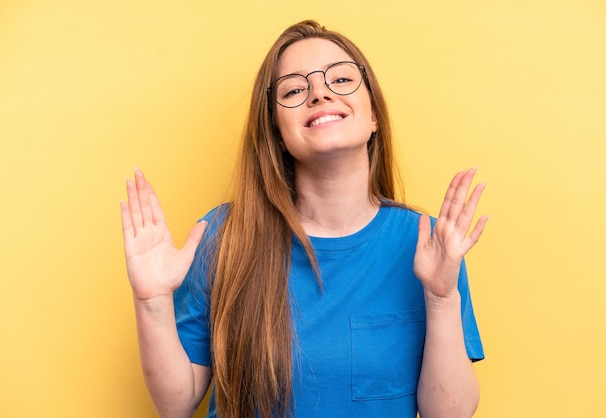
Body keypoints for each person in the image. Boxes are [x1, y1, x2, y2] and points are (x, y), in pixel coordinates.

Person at [121, 20, 488, 418]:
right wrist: (152, 302)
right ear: (277, 133)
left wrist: (440, 298)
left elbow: (448, 414)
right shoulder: (226, 237)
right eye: (295, 89)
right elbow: (176, 404)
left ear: (374, 115)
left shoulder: (427, 244)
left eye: (342, 79)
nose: (320, 93)